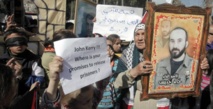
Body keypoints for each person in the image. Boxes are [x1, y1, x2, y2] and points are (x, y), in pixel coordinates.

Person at [40, 29, 95, 109]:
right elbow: (49, 103)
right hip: (61, 92)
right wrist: (54, 81)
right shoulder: (50, 58)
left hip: (76, 89)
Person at [114, 23, 157, 109]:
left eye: (143, 34)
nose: (140, 38)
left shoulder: (160, 53)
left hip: (157, 103)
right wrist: (135, 71)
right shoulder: (127, 53)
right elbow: (117, 83)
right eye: (137, 34)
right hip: (133, 103)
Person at [0, 28, 45, 96]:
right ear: (8, 45)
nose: (19, 45)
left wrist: (22, 75)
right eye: (14, 41)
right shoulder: (1, 61)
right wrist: (7, 73)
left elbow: (40, 83)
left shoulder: (34, 59)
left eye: (22, 41)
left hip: (25, 98)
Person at [96, 36, 121, 109]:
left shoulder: (118, 61)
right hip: (99, 104)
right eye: (106, 46)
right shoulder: (96, 63)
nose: (108, 49)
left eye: (110, 46)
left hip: (114, 103)